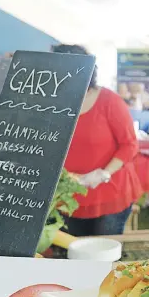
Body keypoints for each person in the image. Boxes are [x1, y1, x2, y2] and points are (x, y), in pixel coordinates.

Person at [52, 44, 142, 236]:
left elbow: (130, 144)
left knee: (103, 254)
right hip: (68, 196)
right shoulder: (52, 103)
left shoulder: (109, 101)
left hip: (109, 193)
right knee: (73, 253)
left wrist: (103, 173)